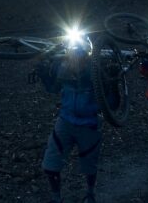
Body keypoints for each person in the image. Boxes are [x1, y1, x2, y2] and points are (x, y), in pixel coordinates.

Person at [35, 41, 102, 203]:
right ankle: (56, 197)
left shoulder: (96, 71)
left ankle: (90, 193)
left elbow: (112, 103)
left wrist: (112, 84)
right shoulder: (62, 67)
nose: (75, 59)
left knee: (89, 165)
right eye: (71, 54)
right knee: (51, 163)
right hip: (65, 120)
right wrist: (43, 74)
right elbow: (53, 89)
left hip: (89, 123)